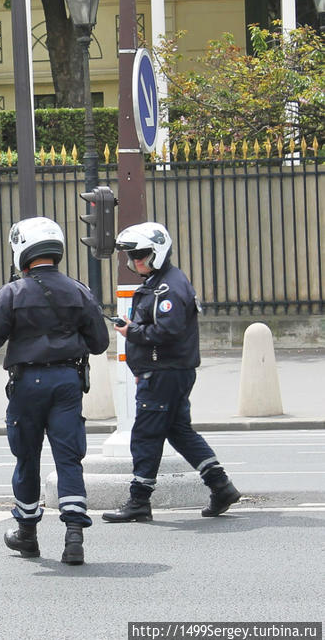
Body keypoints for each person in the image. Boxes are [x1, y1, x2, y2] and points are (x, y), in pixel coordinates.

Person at [0, 217, 109, 565]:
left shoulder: (12, 293)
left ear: (22, 250)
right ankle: (74, 537)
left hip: (27, 383)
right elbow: (99, 342)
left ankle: (27, 534)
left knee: (27, 458)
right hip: (67, 382)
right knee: (68, 458)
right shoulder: (79, 291)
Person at [102, 222, 241, 523]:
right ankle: (221, 486)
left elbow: (168, 330)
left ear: (157, 253)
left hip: (163, 372)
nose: (134, 262)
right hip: (167, 370)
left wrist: (131, 331)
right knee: (179, 431)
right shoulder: (163, 281)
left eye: (140, 255)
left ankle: (139, 500)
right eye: (132, 256)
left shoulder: (168, 287)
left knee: (145, 434)